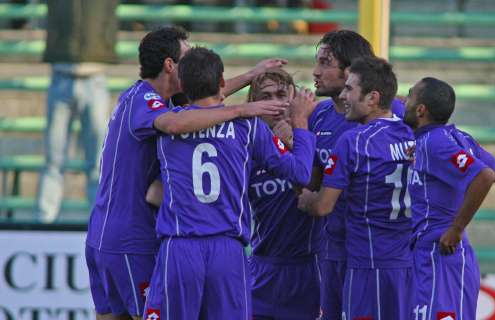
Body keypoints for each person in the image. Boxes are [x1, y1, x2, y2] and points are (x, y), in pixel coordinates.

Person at [85, 27, 289, 320]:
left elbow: (206, 99)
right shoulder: (149, 104)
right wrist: (241, 111)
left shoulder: (142, 97)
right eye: (188, 56)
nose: (194, 65)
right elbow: (177, 124)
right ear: (171, 65)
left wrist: (249, 76)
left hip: (104, 232)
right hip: (132, 238)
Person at [143, 47, 317, 319]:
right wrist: (302, 126)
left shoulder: (166, 124)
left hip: (180, 246)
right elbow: (300, 173)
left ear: (182, 85)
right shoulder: (249, 126)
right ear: (222, 82)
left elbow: (153, 193)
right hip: (228, 250)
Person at [298, 56, 413, 319]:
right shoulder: (412, 135)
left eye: (350, 89)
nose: (344, 95)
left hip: (367, 262)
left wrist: (305, 199)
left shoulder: (354, 141)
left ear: (373, 98)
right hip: (407, 262)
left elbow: (323, 206)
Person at [403, 77, 495, 320]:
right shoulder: (457, 137)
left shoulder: (433, 142)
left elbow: (487, 175)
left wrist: (456, 227)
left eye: (409, 95)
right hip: (437, 254)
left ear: (421, 110)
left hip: (441, 252)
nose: (404, 101)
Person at [246, 68, 321, 319]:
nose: (275, 104)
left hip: (308, 268)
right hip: (262, 266)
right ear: (253, 105)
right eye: (265, 97)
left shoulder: (312, 140)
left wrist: (290, 145)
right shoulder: (245, 148)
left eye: (281, 95)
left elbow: (314, 191)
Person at [36, 0, 119, 223]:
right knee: (53, 158)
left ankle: (99, 222)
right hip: (62, 73)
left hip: (94, 76)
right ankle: (44, 221)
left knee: (97, 160)